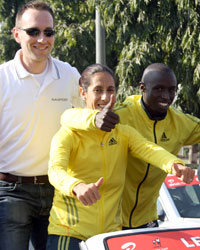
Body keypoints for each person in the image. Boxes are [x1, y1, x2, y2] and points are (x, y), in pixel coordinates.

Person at [46, 63, 194, 250]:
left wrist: (174, 165)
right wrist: (76, 186)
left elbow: (149, 149)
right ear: (83, 93)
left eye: (110, 90)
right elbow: (55, 170)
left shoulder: (123, 133)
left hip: (111, 236)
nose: (105, 97)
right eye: (98, 90)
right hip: (70, 233)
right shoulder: (69, 133)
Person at [0, 1, 83, 250]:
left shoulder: (69, 75)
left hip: (58, 190)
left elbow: (90, 119)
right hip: (11, 192)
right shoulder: (2, 78)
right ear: (17, 34)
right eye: (33, 31)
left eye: (49, 32)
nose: (42, 38)